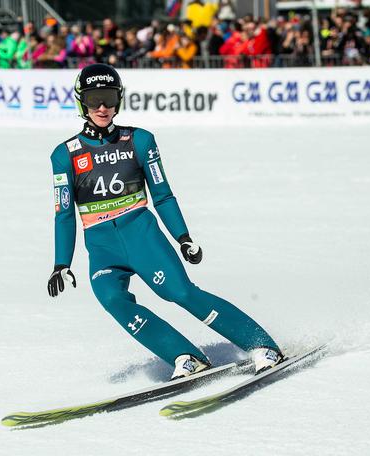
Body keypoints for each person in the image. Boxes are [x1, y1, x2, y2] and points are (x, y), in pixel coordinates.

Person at [47, 63, 283, 379]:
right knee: (112, 299)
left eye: (109, 98)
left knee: (181, 292)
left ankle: (262, 346)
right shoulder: (64, 155)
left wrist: (182, 236)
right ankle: (185, 356)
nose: (102, 107)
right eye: (94, 99)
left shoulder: (140, 141)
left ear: (119, 99)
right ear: (81, 102)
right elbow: (64, 213)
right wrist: (61, 263)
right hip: (102, 247)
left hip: (142, 236)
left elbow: (163, 195)